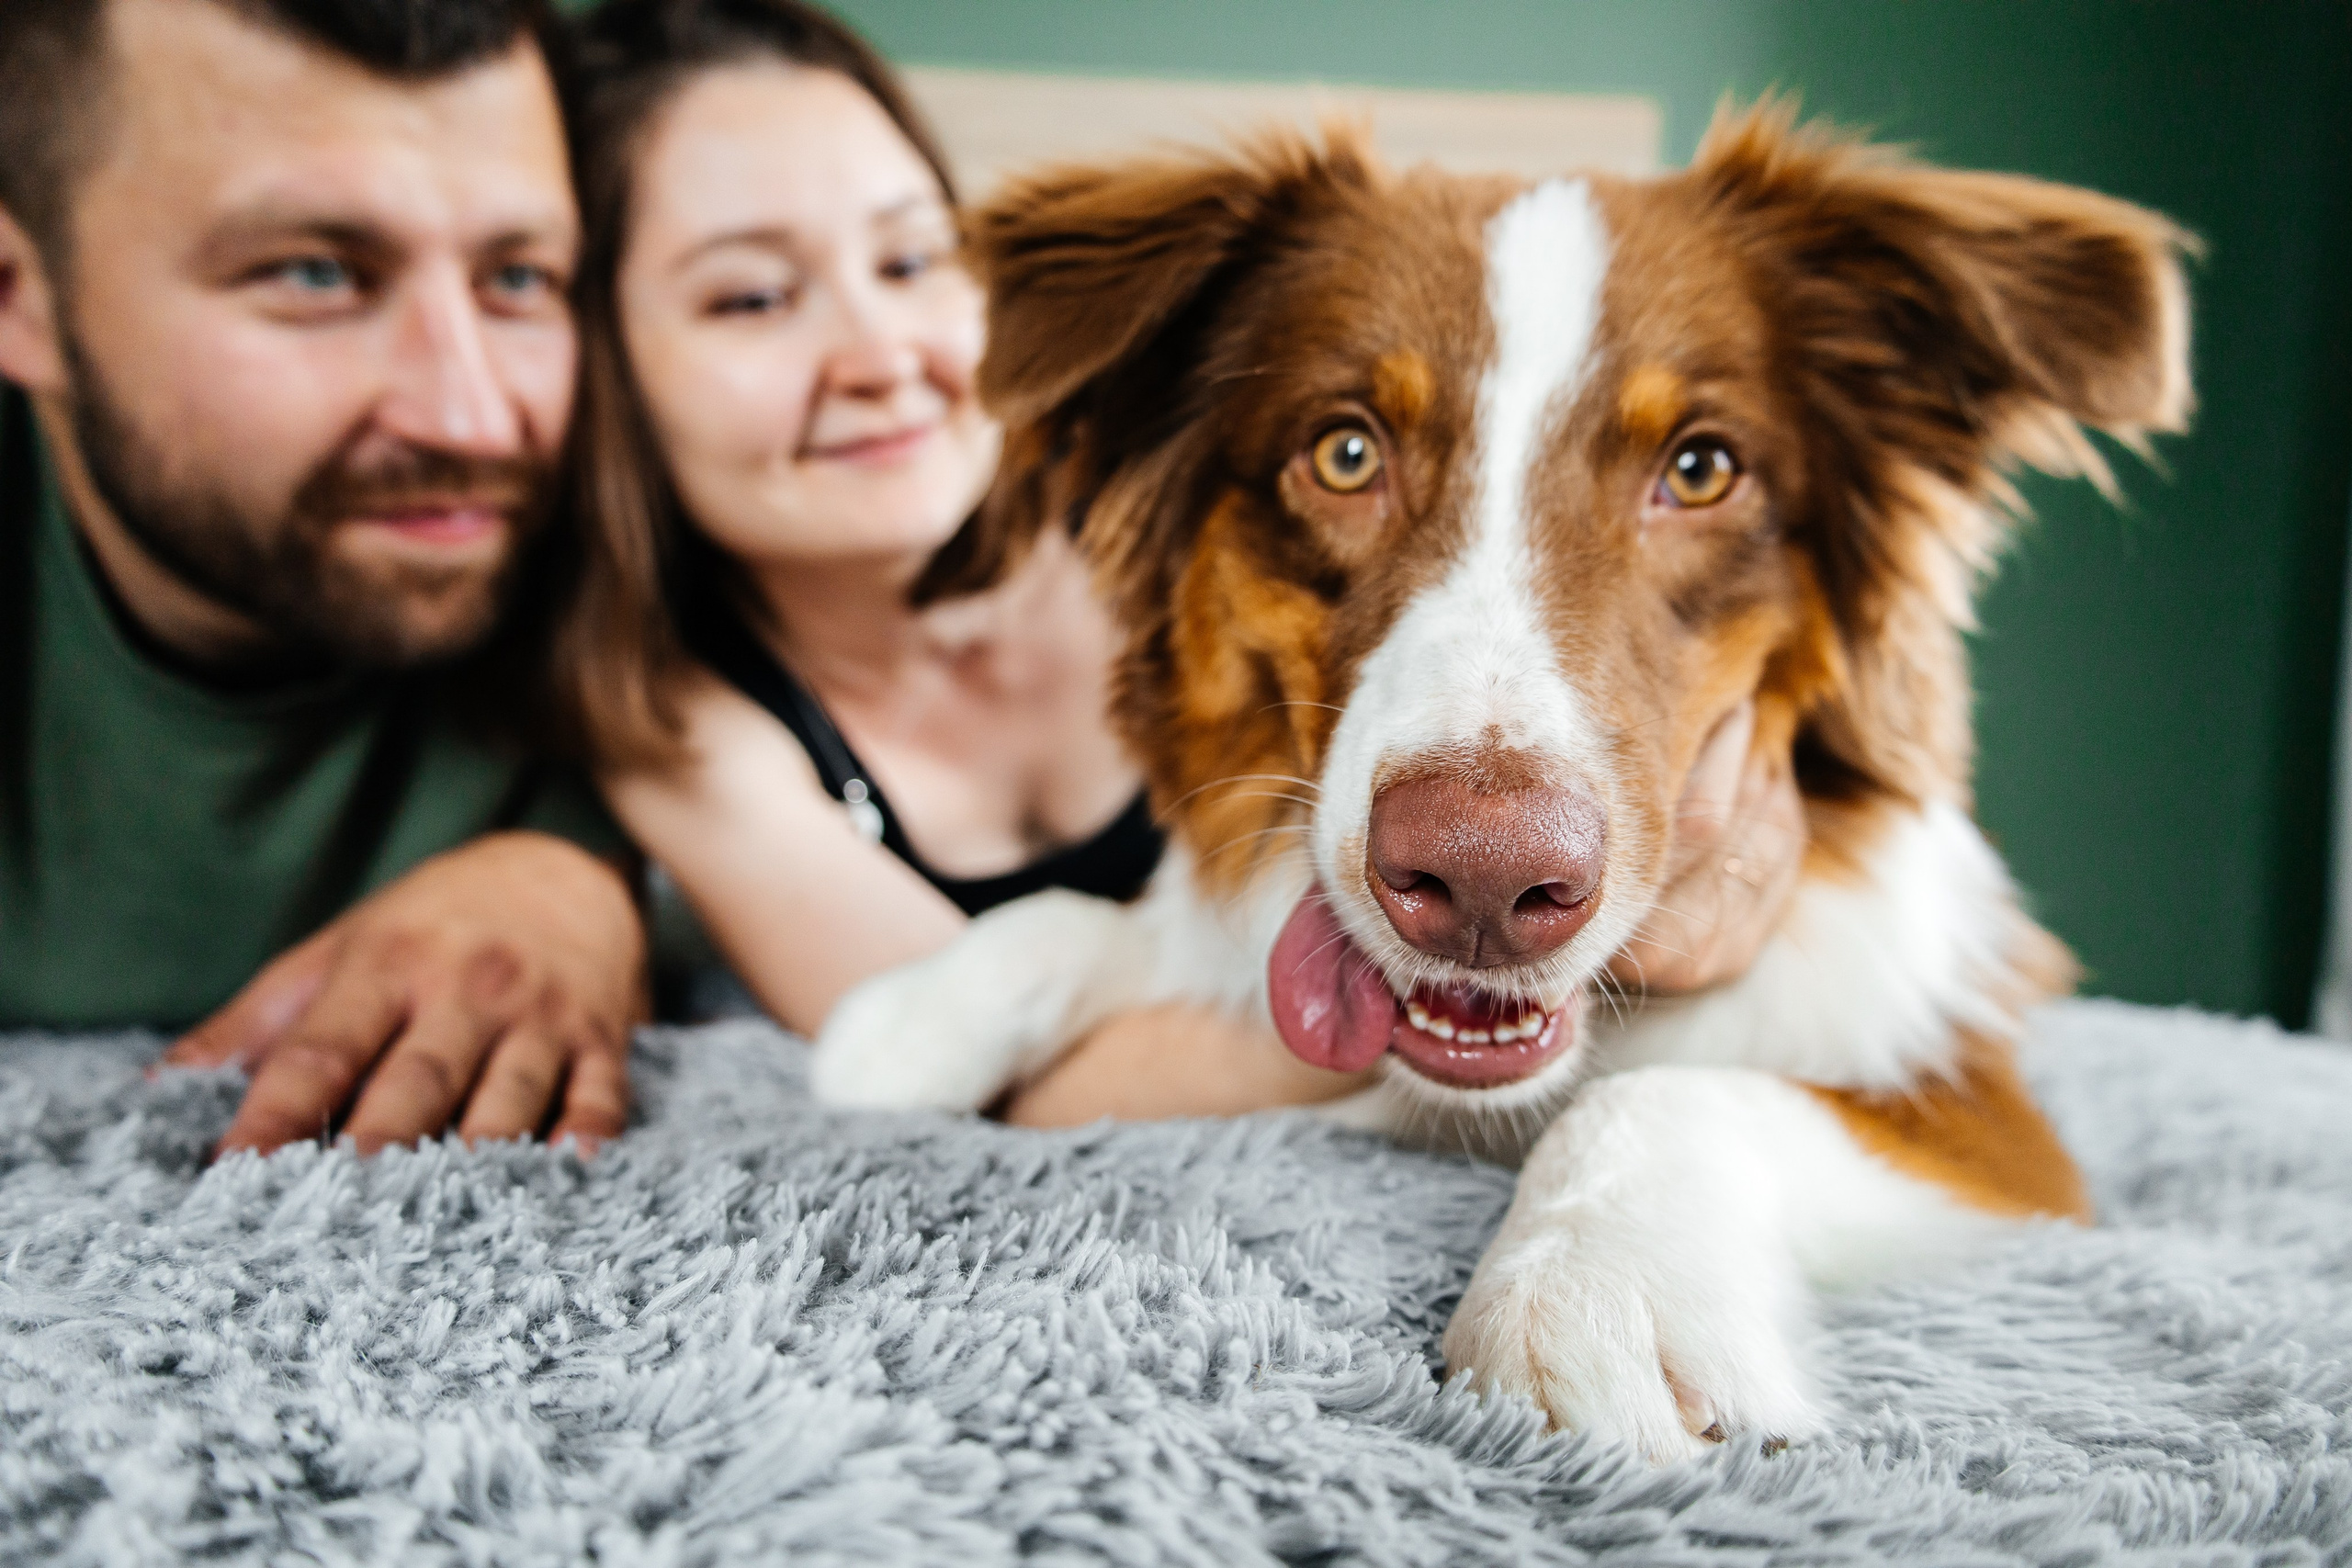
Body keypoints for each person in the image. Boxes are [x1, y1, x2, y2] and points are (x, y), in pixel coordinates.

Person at [544, 0, 1808, 1126]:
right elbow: (1000, 1079)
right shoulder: (686, 726)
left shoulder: (1183, 522)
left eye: (913, 258)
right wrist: (1476, 979)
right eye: (752, 298)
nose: (884, 351)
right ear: (599, 369)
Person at [0, 0, 646, 1156]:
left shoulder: (648, 483)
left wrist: (579, 885)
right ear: (20, 295)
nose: (473, 415)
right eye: (316, 274)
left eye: (519, 277)